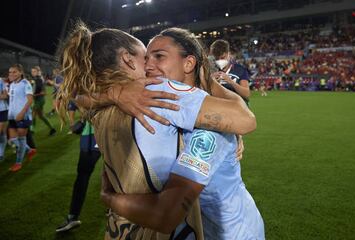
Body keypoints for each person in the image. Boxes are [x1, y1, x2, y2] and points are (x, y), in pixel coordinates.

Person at [59, 23, 257, 239]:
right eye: (146, 57)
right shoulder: (154, 92)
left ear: (189, 63)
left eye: (158, 56)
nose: (149, 66)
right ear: (126, 58)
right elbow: (244, 119)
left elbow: (79, 97)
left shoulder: (102, 108)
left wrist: (113, 93)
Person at [56, 121, 101, 232]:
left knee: (116, 173)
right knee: (83, 175)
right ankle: (73, 217)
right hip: (90, 132)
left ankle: (121, 213)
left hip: (108, 130)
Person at [7, 64, 36, 172]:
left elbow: (30, 100)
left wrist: (21, 113)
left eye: (14, 72)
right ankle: (29, 150)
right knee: (13, 139)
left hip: (23, 116)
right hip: (12, 116)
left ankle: (18, 163)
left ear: (20, 72)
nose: (11, 74)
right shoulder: (12, 84)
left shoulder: (25, 83)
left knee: (21, 139)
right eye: (10, 72)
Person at [209, 39, 251, 105]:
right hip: (220, 110)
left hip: (238, 110)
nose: (220, 61)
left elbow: (246, 94)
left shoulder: (240, 69)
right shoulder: (211, 71)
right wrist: (210, 80)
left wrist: (231, 81)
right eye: (217, 59)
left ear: (228, 54)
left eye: (222, 57)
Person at [30, 66, 56, 135]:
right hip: (39, 100)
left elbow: (42, 92)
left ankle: (31, 129)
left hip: (39, 100)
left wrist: (33, 95)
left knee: (32, 113)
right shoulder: (38, 79)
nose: (32, 73)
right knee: (41, 116)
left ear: (38, 71)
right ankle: (52, 129)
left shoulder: (39, 80)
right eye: (32, 71)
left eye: (34, 71)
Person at [0, 77, 9, 161]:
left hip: (2, 110)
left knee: (2, 132)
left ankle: (1, 153)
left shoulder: (0, 81)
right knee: (2, 133)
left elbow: (5, 96)